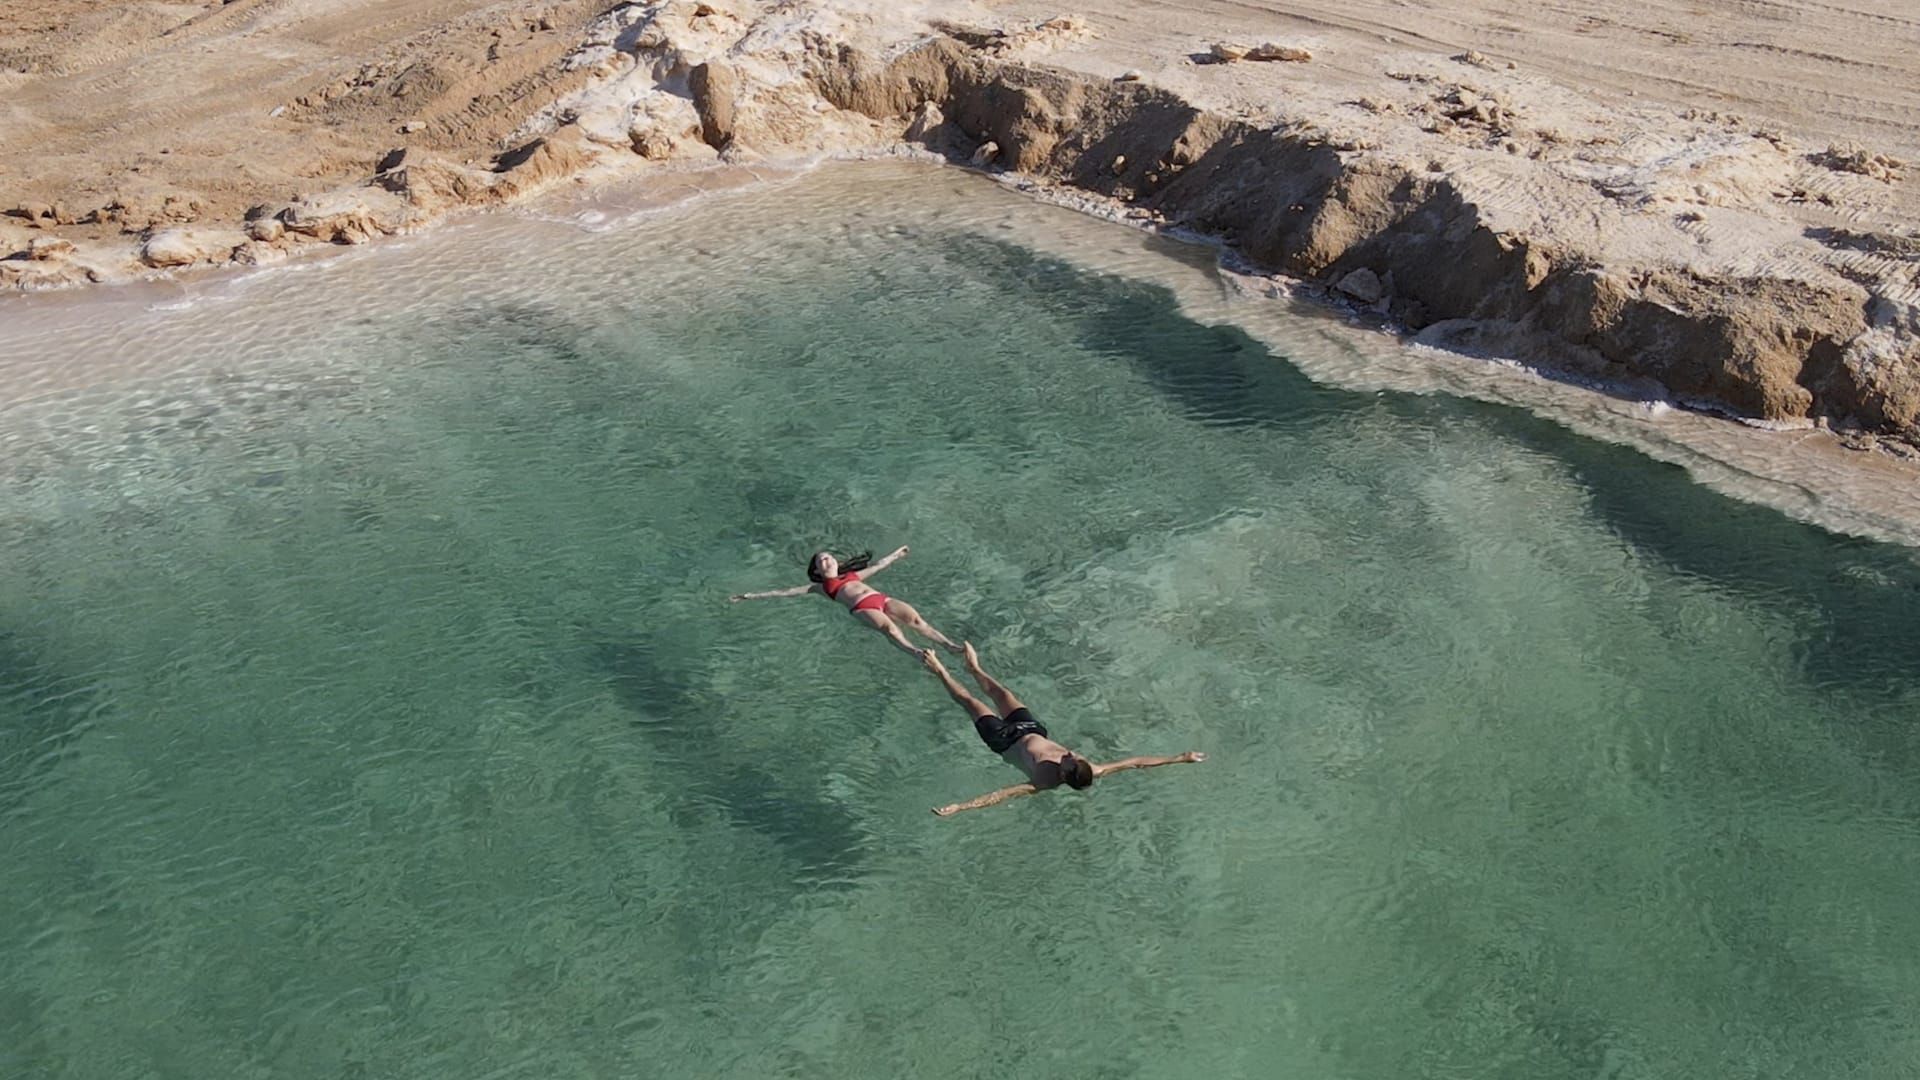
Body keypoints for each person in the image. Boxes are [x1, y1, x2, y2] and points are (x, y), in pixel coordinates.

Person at [920, 643, 1205, 817]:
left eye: (1069, 760)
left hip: (1004, 740)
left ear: (1064, 774)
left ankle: (939, 670)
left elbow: (1004, 794)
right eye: (1075, 756)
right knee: (1001, 692)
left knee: (970, 701)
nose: (1069, 753)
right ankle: (974, 667)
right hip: (1031, 729)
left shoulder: (1044, 780)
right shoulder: (1092, 768)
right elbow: (1136, 762)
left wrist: (961, 807)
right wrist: (1180, 757)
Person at [730, 546, 961, 658]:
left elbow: (878, 565)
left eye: (829, 557)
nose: (827, 560)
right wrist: (750, 596)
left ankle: (950, 646)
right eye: (821, 561)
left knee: (916, 620)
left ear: (837, 562)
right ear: (817, 571)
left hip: (881, 598)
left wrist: (896, 554)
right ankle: (917, 653)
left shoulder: (854, 575)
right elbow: (786, 592)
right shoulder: (819, 588)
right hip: (862, 608)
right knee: (890, 630)